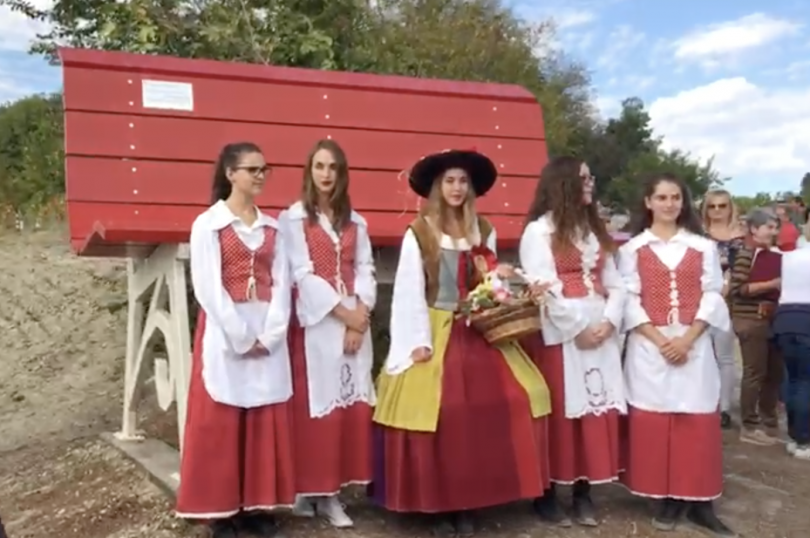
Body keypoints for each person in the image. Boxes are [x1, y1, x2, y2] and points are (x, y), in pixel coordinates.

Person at [371, 149, 552, 537]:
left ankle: (470, 501)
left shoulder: (480, 229)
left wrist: (502, 285)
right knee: (442, 408)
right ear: (437, 187)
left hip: (475, 324)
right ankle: (438, 504)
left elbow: (485, 284)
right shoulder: (419, 231)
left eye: (463, 181)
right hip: (433, 325)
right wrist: (416, 342)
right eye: (450, 181)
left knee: (519, 395)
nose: (456, 188)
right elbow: (408, 290)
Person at [176, 142, 294, 538]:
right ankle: (221, 512)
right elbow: (207, 288)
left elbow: (283, 283)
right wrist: (243, 336)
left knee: (261, 417)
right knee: (223, 421)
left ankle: (256, 507)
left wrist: (272, 332)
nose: (260, 176)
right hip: (227, 330)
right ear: (230, 174)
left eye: (264, 169)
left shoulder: (274, 228)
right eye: (252, 169)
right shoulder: (208, 224)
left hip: (266, 325)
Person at [618, 173, 733, 536]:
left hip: (692, 342)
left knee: (696, 419)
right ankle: (665, 496)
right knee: (657, 419)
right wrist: (658, 338)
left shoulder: (702, 247)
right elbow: (627, 299)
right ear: (648, 203)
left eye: (675, 198)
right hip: (650, 345)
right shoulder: (631, 249)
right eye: (662, 198)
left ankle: (700, 501)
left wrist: (688, 338)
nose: (669, 204)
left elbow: (713, 293)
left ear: (683, 204)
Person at [519, 157, 626, 527]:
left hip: (600, 329)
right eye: (583, 178)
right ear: (563, 183)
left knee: (592, 410)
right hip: (562, 333)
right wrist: (578, 327)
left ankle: (583, 490)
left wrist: (610, 321)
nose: (590, 183)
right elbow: (542, 287)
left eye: (590, 177)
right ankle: (546, 492)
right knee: (561, 411)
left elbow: (617, 282)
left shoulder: (594, 232)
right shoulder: (539, 232)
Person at [281, 139, 376, 528]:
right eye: (319, 166)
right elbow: (302, 273)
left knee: (349, 405)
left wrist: (361, 314)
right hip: (319, 322)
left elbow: (365, 266)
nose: (326, 174)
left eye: (333, 167)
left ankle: (334, 493)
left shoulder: (356, 220)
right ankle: (315, 489)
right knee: (318, 408)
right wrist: (343, 314)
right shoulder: (294, 219)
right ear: (309, 170)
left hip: (354, 316)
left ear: (342, 173)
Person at [728, 208, 783, 446]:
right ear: (754, 229)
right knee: (754, 372)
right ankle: (749, 425)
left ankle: (768, 421)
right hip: (751, 319)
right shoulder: (745, 255)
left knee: (774, 372)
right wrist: (773, 283)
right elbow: (738, 289)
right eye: (769, 227)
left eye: (774, 227)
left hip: (772, 318)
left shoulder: (776, 255)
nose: (774, 232)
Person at [700, 189, 744, 429]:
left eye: (722, 206)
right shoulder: (698, 235)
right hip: (701, 300)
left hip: (729, 302)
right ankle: (704, 401)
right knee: (702, 353)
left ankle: (724, 407)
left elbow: (743, 268)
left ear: (730, 207)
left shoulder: (741, 237)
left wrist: (727, 284)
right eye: (712, 206)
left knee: (725, 356)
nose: (717, 211)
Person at [772, 244, 810, 460]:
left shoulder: (788, 256)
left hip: (785, 319)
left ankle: (795, 436)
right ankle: (803, 440)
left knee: (793, 379)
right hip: (806, 318)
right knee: (804, 382)